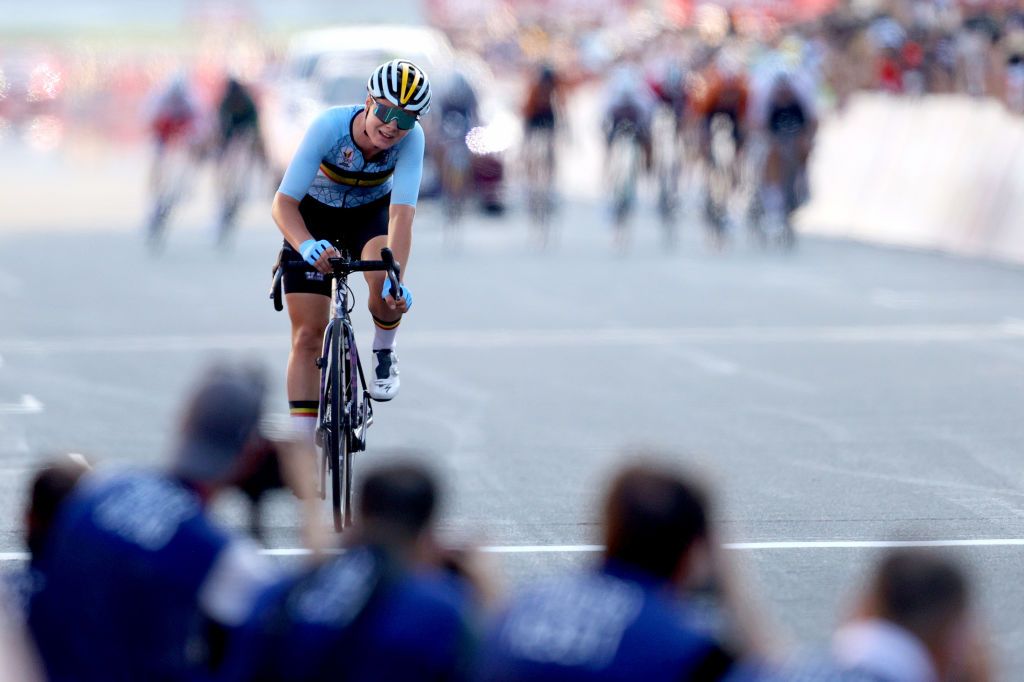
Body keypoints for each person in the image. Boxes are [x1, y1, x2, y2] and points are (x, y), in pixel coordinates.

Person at [26, 363, 282, 682]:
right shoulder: (219, 556)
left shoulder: (102, 488)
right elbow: (297, 634)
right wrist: (310, 500)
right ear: (252, 455)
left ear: (184, 422)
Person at [475, 460, 762, 681]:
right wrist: (737, 590)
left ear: (609, 528)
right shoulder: (685, 646)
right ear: (694, 550)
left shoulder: (519, 609)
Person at [271, 59, 430, 447]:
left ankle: (383, 351)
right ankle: (302, 445)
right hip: (313, 217)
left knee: (385, 281)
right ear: (368, 101)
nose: (393, 126)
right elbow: (283, 204)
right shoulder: (329, 126)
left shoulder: (412, 140)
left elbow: (402, 218)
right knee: (308, 334)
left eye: (406, 119)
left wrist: (397, 281)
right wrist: (306, 245)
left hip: (368, 217)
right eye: (387, 112)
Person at [218, 460, 482, 682]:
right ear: (428, 530)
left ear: (360, 514)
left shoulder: (282, 596)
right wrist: (488, 593)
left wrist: (309, 500)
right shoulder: (441, 612)